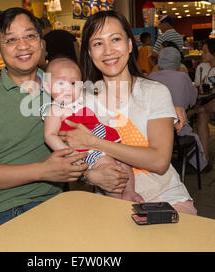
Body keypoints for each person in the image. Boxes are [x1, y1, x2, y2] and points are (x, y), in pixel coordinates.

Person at [0, 8, 89, 251]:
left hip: (46, 206)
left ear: (42, 44)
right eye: (11, 39)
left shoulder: (64, 88)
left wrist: (174, 109)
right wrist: (43, 170)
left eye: (30, 36)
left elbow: (109, 113)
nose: (23, 45)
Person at [59, 10, 197, 215]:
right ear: (88, 52)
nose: (108, 51)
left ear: (130, 45)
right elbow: (69, 156)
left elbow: (159, 162)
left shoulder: (155, 92)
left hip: (165, 199)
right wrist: (88, 176)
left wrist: (93, 141)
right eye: (98, 43)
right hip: (109, 204)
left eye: (115, 39)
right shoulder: (81, 98)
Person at [42, 57, 143, 202]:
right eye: (60, 83)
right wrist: (70, 154)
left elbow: (106, 98)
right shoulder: (55, 110)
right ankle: (116, 202)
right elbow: (49, 136)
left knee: (125, 162)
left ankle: (130, 191)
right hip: (85, 150)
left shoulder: (83, 98)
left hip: (102, 138)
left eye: (73, 83)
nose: (68, 88)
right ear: (47, 87)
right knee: (110, 169)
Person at [149, 46, 207, 171]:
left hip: (152, 131)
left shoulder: (150, 77)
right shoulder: (183, 77)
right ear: (178, 62)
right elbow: (192, 101)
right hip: (177, 131)